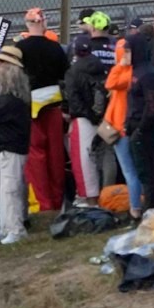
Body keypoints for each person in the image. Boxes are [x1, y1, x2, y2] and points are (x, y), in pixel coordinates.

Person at [17, 9, 71, 219]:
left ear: (28, 24)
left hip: (31, 108)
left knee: (36, 157)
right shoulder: (55, 47)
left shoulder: (20, 48)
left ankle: (42, 203)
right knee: (56, 156)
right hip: (54, 105)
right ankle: (57, 200)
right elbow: (63, 75)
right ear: (43, 22)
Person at [0, 45, 32, 244]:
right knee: (14, 187)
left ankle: (14, 227)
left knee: (9, 189)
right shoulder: (18, 98)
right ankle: (10, 225)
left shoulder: (9, 100)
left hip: (9, 146)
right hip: (14, 145)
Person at [121, 30, 154, 215]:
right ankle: (150, 207)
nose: (125, 54)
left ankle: (151, 208)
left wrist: (140, 129)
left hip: (145, 129)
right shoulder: (136, 71)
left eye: (128, 50)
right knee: (143, 171)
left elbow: (152, 105)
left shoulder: (147, 74)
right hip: (136, 125)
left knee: (148, 171)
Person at [63, 32, 107, 203]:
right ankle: (106, 193)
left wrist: (87, 115)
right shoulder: (100, 66)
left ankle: (89, 197)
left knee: (82, 159)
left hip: (83, 119)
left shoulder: (73, 71)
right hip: (103, 118)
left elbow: (73, 98)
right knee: (103, 158)